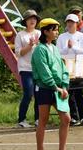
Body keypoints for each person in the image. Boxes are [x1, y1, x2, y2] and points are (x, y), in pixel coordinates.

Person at [31, 18, 71, 150]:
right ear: (46, 31)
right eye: (54, 30)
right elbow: (44, 71)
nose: (57, 32)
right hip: (44, 89)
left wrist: (64, 86)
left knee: (66, 119)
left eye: (57, 29)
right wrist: (56, 87)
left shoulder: (54, 48)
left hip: (58, 89)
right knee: (43, 120)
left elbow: (63, 68)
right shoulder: (39, 50)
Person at [57, 14, 83, 126]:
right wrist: (67, 48)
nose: (70, 24)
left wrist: (73, 47)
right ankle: (74, 117)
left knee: (79, 92)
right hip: (66, 68)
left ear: (76, 24)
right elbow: (58, 52)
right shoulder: (62, 37)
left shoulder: (82, 36)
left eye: (72, 22)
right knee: (69, 92)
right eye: (68, 22)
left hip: (78, 67)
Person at [15, 9, 41, 128]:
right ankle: (22, 120)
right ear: (25, 21)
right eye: (30, 18)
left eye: (34, 18)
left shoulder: (40, 34)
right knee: (28, 94)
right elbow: (19, 53)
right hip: (25, 69)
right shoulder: (20, 35)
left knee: (39, 94)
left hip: (38, 69)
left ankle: (38, 119)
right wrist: (30, 45)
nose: (32, 20)